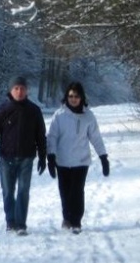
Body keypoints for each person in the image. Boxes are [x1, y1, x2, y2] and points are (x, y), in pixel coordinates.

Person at [46, 81, 109, 234]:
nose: (73, 99)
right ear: (67, 97)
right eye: (70, 96)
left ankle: (76, 221)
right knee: (65, 191)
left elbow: (95, 137)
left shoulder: (88, 116)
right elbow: (52, 137)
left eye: (76, 96)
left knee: (77, 191)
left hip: (81, 161)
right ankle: (66, 218)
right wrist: (51, 156)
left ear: (81, 98)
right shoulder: (59, 116)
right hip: (63, 161)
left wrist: (103, 157)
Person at [0, 76, 48, 235]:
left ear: (27, 90)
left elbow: (41, 135)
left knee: (23, 191)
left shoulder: (34, 110)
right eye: (16, 88)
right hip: (6, 158)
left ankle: (21, 224)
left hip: (27, 157)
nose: (19, 91)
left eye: (22, 88)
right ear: (11, 90)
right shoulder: (2, 110)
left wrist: (43, 157)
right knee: (7, 191)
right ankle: (10, 221)